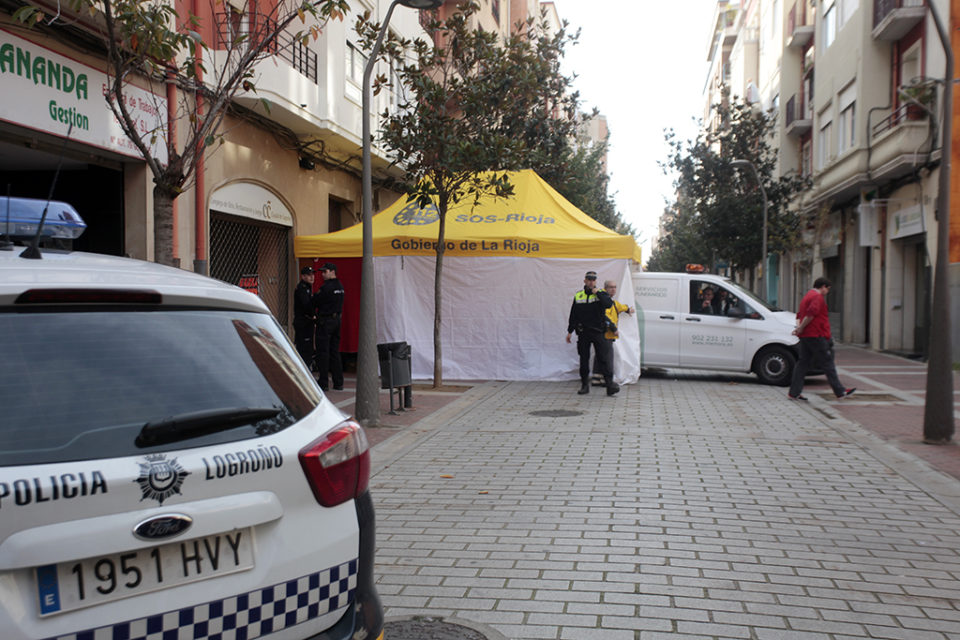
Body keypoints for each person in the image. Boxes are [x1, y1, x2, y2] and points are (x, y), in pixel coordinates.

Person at [788, 276, 856, 401]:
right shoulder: (817, 297)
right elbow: (811, 314)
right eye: (828, 289)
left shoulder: (807, 296)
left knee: (802, 363)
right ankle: (840, 391)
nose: (827, 292)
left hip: (806, 336)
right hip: (816, 335)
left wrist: (799, 329)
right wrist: (801, 328)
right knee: (827, 363)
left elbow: (799, 315)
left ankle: (794, 392)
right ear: (823, 286)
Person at [566, 271, 617, 396]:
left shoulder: (600, 294)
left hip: (598, 332)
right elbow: (574, 314)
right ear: (584, 281)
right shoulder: (579, 295)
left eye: (593, 280)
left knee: (603, 359)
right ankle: (584, 386)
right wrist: (570, 331)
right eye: (589, 279)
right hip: (583, 333)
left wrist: (598, 293)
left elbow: (609, 304)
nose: (591, 282)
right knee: (584, 360)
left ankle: (610, 385)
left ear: (596, 281)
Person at [591, 280, 635, 385]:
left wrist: (628, 309)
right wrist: (614, 329)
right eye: (611, 287)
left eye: (615, 287)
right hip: (603, 333)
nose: (613, 289)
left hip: (608, 335)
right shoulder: (601, 301)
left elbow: (621, 307)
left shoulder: (613, 303)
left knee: (601, 356)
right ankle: (606, 380)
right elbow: (604, 317)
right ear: (605, 288)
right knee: (607, 357)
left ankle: (597, 378)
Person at [312, 262, 345, 391]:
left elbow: (314, 301)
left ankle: (324, 382)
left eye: (325, 272)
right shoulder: (340, 286)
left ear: (332, 272)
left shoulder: (326, 287)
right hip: (337, 320)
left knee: (323, 352)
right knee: (335, 352)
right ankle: (338, 382)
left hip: (325, 321)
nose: (322, 274)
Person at [293, 265, 316, 368]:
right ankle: (304, 368)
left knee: (307, 347)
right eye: (309, 275)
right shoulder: (302, 288)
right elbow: (306, 305)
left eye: (312, 275)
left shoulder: (308, 288)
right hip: (303, 322)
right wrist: (314, 315)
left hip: (307, 322)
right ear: (303, 276)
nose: (312, 277)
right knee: (304, 348)